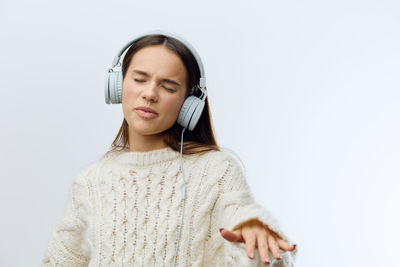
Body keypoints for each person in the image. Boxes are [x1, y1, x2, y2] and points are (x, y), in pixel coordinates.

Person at [41, 30, 298, 266]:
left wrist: (256, 234)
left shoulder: (216, 172)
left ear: (189, 103)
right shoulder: (89, 182)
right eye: (140, 79)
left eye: (168, 87)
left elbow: (252, 234)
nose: (150, 94)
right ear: (118, 87)